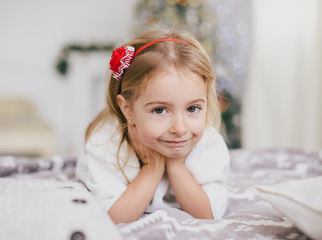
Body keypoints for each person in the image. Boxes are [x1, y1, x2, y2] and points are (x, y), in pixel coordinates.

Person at [76, 29, 230, 224]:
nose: (180, 129)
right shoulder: (106, 141)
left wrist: (175, 165)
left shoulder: (207, 142)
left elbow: (207, 215)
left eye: (192, 108)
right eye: (159, 110)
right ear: (128, 109)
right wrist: (152, 166)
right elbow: (114, 218)